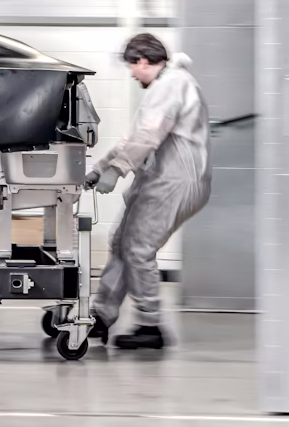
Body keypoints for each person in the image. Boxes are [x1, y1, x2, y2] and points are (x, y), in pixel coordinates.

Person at [85, 33, 211, 349]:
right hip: (162, 178)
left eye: (132, 66)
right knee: (122, 243)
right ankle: (101, 316)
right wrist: (101, 167)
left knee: (139, 248)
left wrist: (116, 170)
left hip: (176, 180)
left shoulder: (173, 83)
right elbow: (134, 138)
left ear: (142, 61)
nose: (131, 74)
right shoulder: (166, 85)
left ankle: (150, 325)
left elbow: (149, 134)